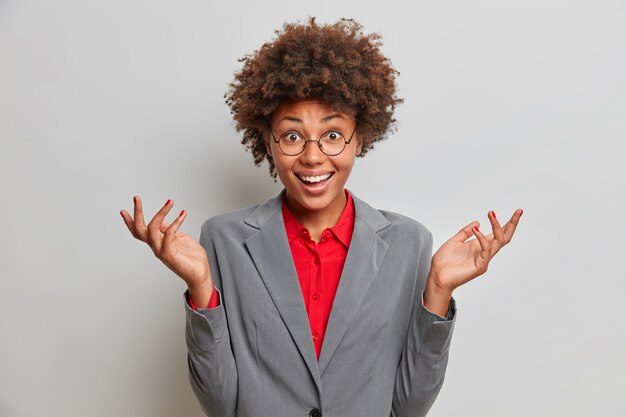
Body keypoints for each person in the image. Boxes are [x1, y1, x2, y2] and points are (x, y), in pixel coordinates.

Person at [120, 17, 523, 417]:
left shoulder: (408, 243)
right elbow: (221, 404)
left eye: (332, 135)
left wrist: (437, 289)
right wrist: (200, 287)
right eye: (292, 136)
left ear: (359, 139)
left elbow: (409, 407)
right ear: (269, 142)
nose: (313, 156)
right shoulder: (224, 240)